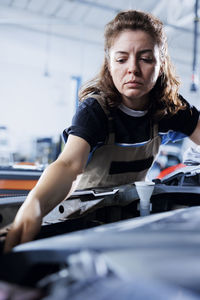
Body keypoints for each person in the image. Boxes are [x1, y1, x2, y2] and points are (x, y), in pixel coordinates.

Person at [4, 10, 200, 252]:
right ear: (109, 63)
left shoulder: (169, 108)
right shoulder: (95, 111)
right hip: (84, 221)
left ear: (161, 64)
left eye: (146, 58)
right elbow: (69, 166)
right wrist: (34, 204)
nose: (133, 70)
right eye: (121, 59)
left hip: (133, 219)